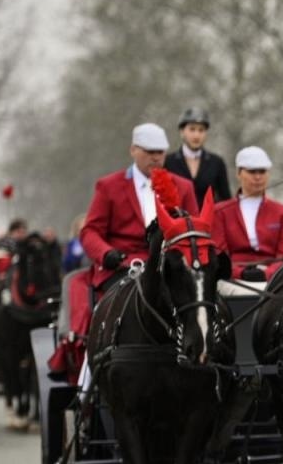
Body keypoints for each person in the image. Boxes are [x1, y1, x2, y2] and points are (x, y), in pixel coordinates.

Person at [67, 123, 199, 342]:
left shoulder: (183, 187)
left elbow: (193, 229)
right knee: (105, 319)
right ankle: (94, 365)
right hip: (123, 268)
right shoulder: (109, 186)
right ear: (133, 150)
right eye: (149, 151)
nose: (156, 157)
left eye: (160, 152)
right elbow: (90, 231)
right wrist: (106, 254)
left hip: (170, 269)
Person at [214, 146, 283, 286]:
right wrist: (240, 273)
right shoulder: (220, 212)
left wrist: (267, 274)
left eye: (262, 171)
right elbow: (219, 255)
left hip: (274, 281)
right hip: (232, 280)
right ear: (239, 173)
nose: (258, 177)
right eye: (252, 171)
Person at [165, 106, 230, 207]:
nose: (196, 135)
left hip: (208, 221)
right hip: (177, 220)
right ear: (182, 132)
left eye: (201, 130)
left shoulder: (216, 163)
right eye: (192, 129)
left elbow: (226, 200)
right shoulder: (168, 162)